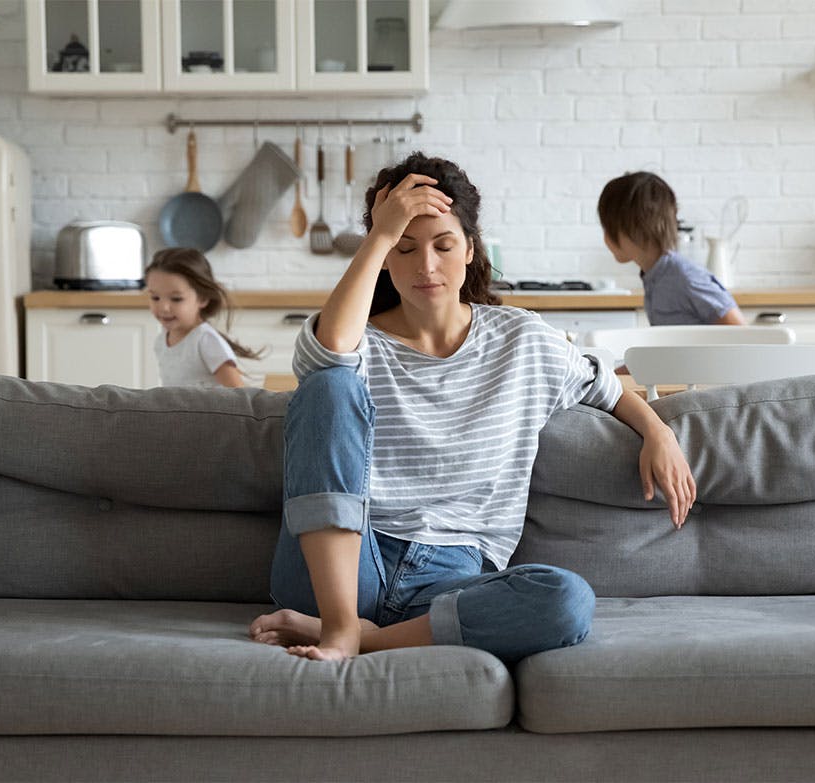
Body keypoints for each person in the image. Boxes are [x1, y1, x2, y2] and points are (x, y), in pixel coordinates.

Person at [250, 153, 696, 664]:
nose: (426, 266)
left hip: (451, 578)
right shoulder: (356, 341)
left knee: (567, 600)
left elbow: (610, 391)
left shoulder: (522, 340)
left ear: (469, 250)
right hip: (343, 562)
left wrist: (659, 433)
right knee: (328, 385)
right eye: (404, 246)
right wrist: (378, 232)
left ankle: (357, 636)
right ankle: (339, 620)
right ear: (384, 256)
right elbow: (327, 355)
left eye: (443, 245)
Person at [598, 171, 745, 326]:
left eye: (608, 228)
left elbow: (741, 333)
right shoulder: (654, 275)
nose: (605, 237)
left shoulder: (686, 278)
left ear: (637, 228)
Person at [145, 247, 262, 388]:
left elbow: (239, 394)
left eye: (176, 299)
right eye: (155, 297)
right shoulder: (161, 340)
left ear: (203, 298)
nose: (163, 307)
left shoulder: (206, 340)